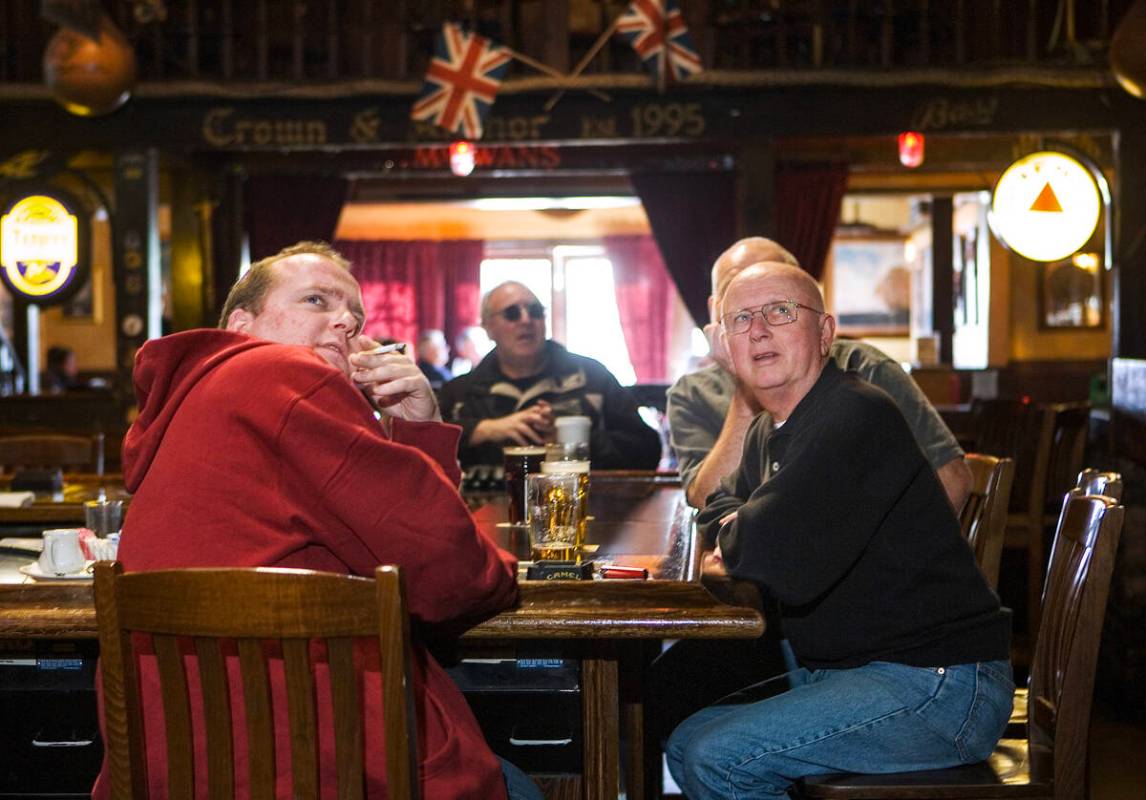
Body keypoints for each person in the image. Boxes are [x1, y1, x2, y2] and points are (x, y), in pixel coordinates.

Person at [92, 242, 541, 800]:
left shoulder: (192, 397)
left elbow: (406, 546)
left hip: (176, 768)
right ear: (242, 324)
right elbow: (453, 580)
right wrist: (429, 440)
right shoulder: (287, 375)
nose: (346, 321)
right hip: (313, 760)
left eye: (355, 316)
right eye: (315, 300)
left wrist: (414, 429)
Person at [665, 261, 1013, 799]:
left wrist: (744, 532)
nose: (758, 330)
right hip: (857, 670)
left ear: (825, 332)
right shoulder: (767, 429)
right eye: (741, 320)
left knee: (720, 759)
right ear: (727, 347)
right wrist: (741, 527)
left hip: (939, 685)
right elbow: (716, 509)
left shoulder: (854, 413)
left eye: (780, 311)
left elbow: (764, 551)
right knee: (686, 739)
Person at [668, 237, 972, 511]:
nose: (758, 327)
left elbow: (952, 478)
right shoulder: (692, 393)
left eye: (777, 306)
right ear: (714, 313)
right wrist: (745, 391)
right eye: (739, 304)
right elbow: (706, 500)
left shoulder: (862, 373)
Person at [438, 280, 662, 469]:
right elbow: (423, 450)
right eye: (512, 313)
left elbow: (648, 450)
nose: (526, 320)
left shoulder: (592, 377)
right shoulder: (460, 393)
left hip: (582, 511)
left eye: (535, 311)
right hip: (482, 516)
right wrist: (485, 429)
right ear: (487, 327)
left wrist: (573, 440)